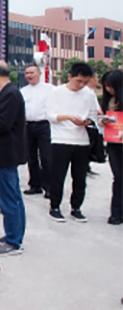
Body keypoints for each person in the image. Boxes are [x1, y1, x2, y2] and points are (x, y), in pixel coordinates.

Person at [47, 62, 98, 223]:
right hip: (61, 139)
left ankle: (76, 207)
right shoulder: (56, 92)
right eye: (79, 81)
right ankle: (55, 206)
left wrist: (86, 122)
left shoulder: (89, 94)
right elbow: (51, 116)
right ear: (70, 77)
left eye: (85, 82)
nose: (81, 85)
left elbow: (93, 117)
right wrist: (69, 117)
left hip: (81, 140)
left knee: (80, 177)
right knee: (58, 175)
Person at [0, 61, 27, 256]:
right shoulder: (3, 93)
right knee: (12, 196)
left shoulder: (10, 94)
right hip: (1, 151)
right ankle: (13, 234)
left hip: (5, 151)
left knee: (8, 197)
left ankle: (13, 241)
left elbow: (2, 125)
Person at [21, 64, 54, 197]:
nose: (29, 75)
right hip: (28, 126)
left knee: (47, 157)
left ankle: (49, 187)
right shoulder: (23, 91)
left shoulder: (50, 89)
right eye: (27, 73)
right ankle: (35, 184)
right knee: (31, 157)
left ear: (39, 73)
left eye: (32, 72)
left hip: (44, 126)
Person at [100, 70, 123, 225]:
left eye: (112, 86)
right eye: (107, 86)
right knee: (119, 177)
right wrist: (103, 122)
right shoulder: (109, 101)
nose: (109, 89)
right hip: (114, 144)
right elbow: (102, 121)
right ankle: (116, 213)